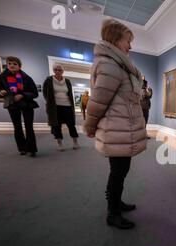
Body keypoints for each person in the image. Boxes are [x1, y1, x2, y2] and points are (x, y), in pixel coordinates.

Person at [83, 19, 147, 230]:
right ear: (116, 39)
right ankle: (113, 212)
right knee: (118, 171)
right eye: (128, 41)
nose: (130, 46)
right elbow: (98, 101)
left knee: (121, 170)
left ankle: (116, 201)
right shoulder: (110, 65)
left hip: (122, 129)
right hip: (116, 129)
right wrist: (89, 126)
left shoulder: (118, 64)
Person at [0, 56, 39, 157]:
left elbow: (35, 93)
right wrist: (0, 92)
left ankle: (31, 149)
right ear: (7, 65)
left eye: (15, 64)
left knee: (29, 127)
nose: (12, 65)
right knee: (17, 127)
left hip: (27, 104)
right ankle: (22, 148)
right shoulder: (2, 76)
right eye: (9, 63)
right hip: (12, 104)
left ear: (19, 66)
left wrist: (22, 95)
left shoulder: (27, 77)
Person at [43, 64, 79, 151]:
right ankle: (60, 143)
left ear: (62, 71)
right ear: (53, 70)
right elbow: (45, 93)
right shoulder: (49, 80)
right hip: (55, 107)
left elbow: (70, 93)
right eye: (56, 70)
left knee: (71, 124)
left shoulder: (67, 81)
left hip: (67, 106)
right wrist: (49, 103)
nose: (58, 71)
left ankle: (75, 141)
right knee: (56, 125)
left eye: (60, 70)